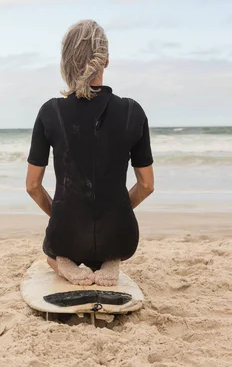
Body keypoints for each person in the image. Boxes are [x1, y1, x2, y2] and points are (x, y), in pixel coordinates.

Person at [25, 20, 155, 286]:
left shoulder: (50, 112)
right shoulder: (133, 111)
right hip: (121, 235)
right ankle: (110, 260)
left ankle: (62, 263)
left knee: (49, 251)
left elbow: (32, 186)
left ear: (66, 60)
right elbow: (147, 185)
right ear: (106, 60)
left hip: (67, 235)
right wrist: (113, 210)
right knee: (113, 238)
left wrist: (64, 214)